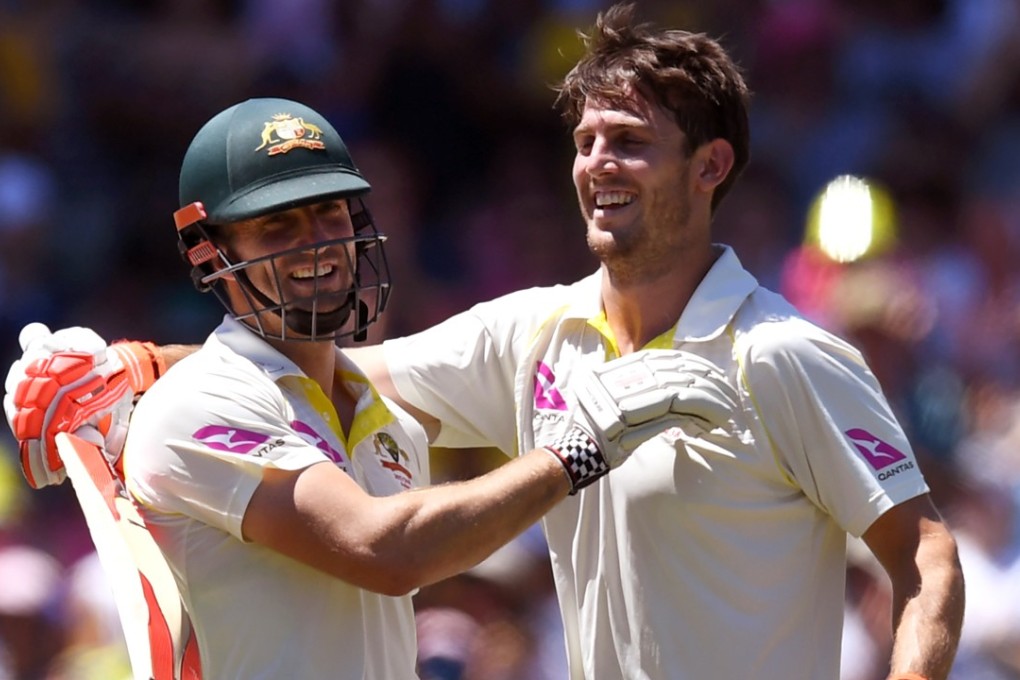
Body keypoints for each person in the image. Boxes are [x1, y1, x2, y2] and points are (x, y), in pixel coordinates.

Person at [4, 4, 965, 679]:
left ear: (712, 165)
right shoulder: (534, 332)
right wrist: (143, 364)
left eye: (630, 141)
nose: (599, 165)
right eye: (585, 141)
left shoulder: (782, 353)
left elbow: (925, 555)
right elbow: (328, 382)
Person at [3, 95, 736, 679]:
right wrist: (577, 452)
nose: (317, 242)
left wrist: (147, 358)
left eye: (329, 212)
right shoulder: (198, 404)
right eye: (277, 225)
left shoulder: (381, 413)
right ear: (210, 253)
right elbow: (383, 550)